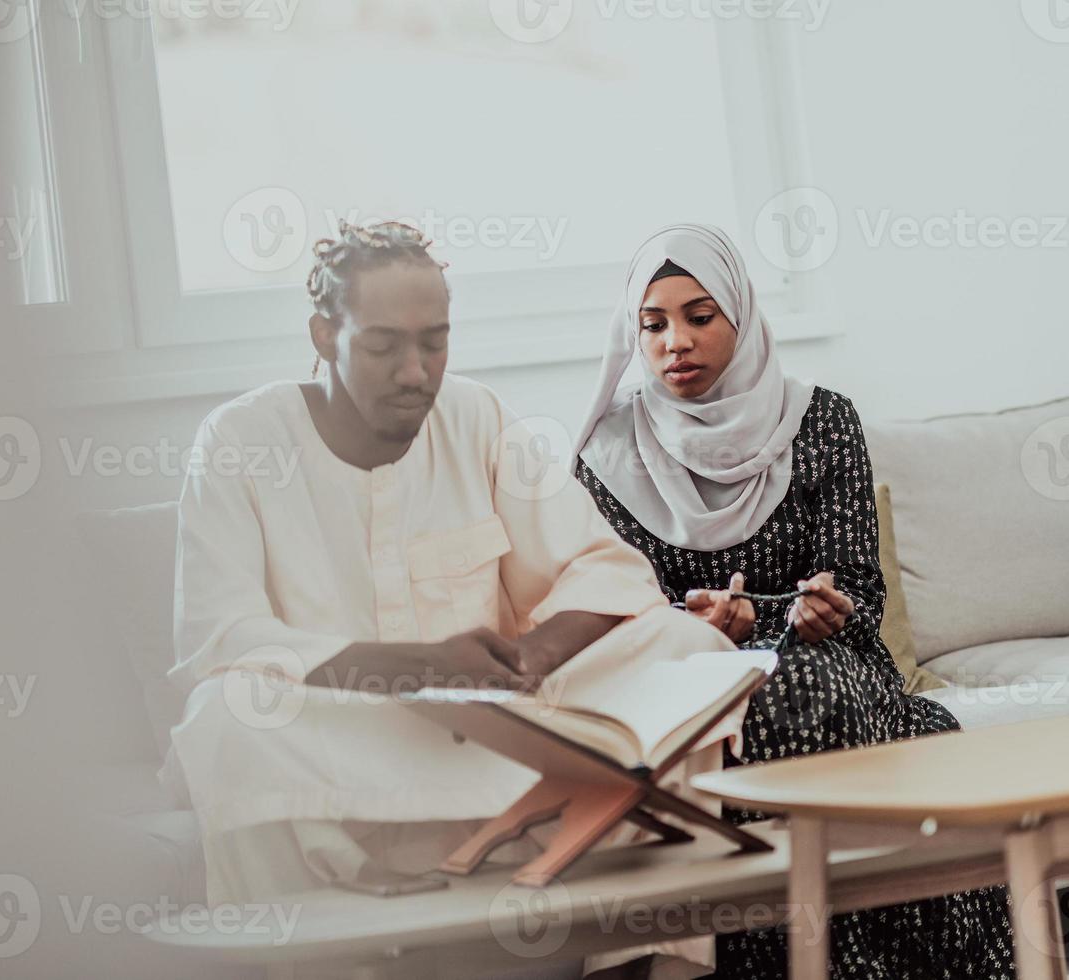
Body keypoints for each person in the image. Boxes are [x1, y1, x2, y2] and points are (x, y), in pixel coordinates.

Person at [170, 220, 742, 979]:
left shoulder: (476, 415)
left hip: (503, 733)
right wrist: (415, 665)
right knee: (224, 719)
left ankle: (648, 960)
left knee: (686, 648)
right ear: (323, 334)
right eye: (382, 347)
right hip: (351, 736)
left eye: (433, 342)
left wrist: (533, 656)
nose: (415, 371)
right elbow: (224, 636)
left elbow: (604, 569)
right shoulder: (239, 439)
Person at [572, 223, 1015, 979]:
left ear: (740, 318)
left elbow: (860, 593)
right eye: (652, 325)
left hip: (832, 665)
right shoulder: (609, 454)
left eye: (698, 317)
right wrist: (699, 627)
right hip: (688, 681)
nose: (674, 341)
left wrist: (778, 617)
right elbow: (614, 609)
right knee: (759, 705)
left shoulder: (822, 419)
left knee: (803, 688)